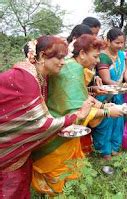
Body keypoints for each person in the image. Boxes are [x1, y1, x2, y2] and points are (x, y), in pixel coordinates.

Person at [31, 34, 124, 196]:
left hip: (59, 125)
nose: (97, 61)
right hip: (58, 129)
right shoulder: (71, 71)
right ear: (82, 54)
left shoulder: (72, 66)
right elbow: (75, 110)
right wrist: (108, 112)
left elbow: (79, 96)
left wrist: (101, 103)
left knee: (66, 169)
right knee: (56, 173)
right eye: (95, 56)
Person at [0, 36, 91, 199]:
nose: (64, 62)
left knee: (20, 186)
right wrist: (77, 116)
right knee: (9, 189)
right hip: (6, 147)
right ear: (42, 56)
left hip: (19, 153)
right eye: (60, 58)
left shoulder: (42, 76)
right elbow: (40, 125)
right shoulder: (26, 79)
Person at [92, 28, 126, 160]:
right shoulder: (102, 56)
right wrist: (122, 85)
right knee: (105, 123)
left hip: (118, 94)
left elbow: (124, 73)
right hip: (104, 95)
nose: (120, 46)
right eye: (117, 42)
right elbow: (106, 79)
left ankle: (115, 147)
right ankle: (104, 151)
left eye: (122, 43)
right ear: (108, 41)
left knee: (118, 121)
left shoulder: (122, 55)